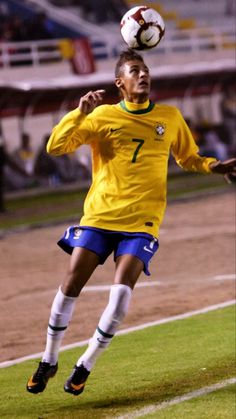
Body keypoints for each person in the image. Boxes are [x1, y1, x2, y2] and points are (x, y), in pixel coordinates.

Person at [26, 49, 236, 396]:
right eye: (134, 71)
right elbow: (55, 146)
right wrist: (79, 113)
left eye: (146, 70)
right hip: (100, 216)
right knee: (71, 284)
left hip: (142, 221)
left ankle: (85, 364)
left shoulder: (169, 116)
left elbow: (188, 157)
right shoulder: (103, 116)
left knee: (122, 293)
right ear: (119, 82)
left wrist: (213, 166)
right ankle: (49, 359)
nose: (143, 75)